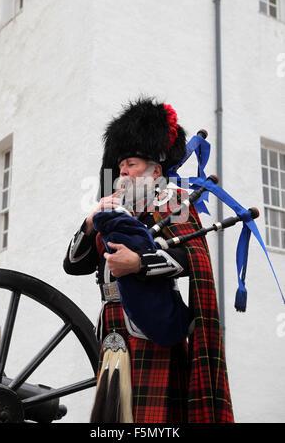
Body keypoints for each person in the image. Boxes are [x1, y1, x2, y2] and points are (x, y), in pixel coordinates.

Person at [63, 97, 234, 423]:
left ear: (156, 169)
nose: (124, 170)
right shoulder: (110, 208)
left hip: (153, 326)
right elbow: (73, 265)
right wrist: (90, 222)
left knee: (153, 422)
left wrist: (139, 263)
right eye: (122, 163)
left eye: (133, 163)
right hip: (111, 329)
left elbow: (193, 259)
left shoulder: (174, 201)